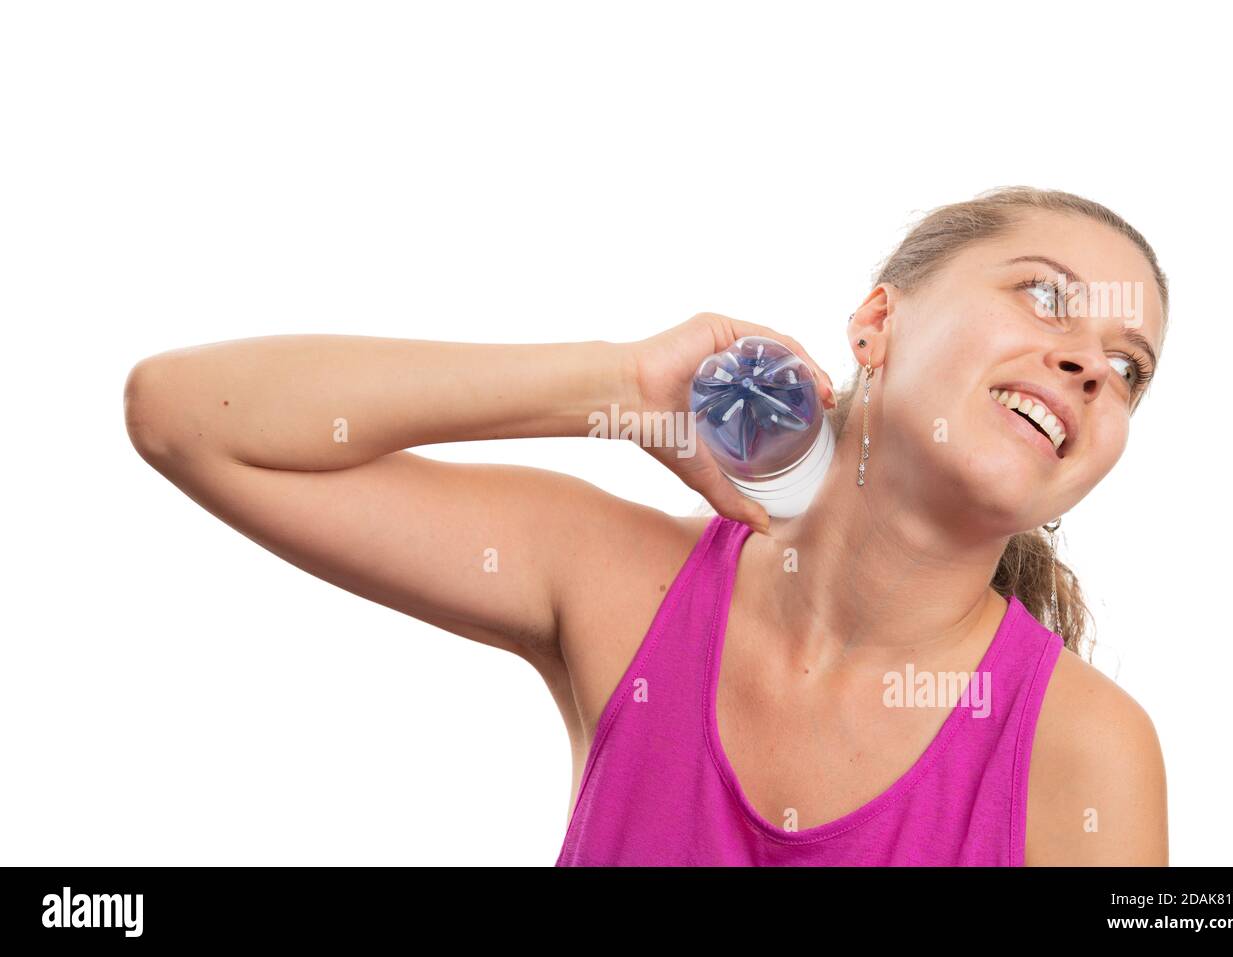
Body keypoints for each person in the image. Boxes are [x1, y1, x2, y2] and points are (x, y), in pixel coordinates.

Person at [123, 185, 1169, 866]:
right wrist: (611, 384)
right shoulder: (618, 583)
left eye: (1127, 367)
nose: (1088, 365)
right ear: (876, 324)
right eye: (1043, 297)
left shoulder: (1086, 753)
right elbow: (188, 419)